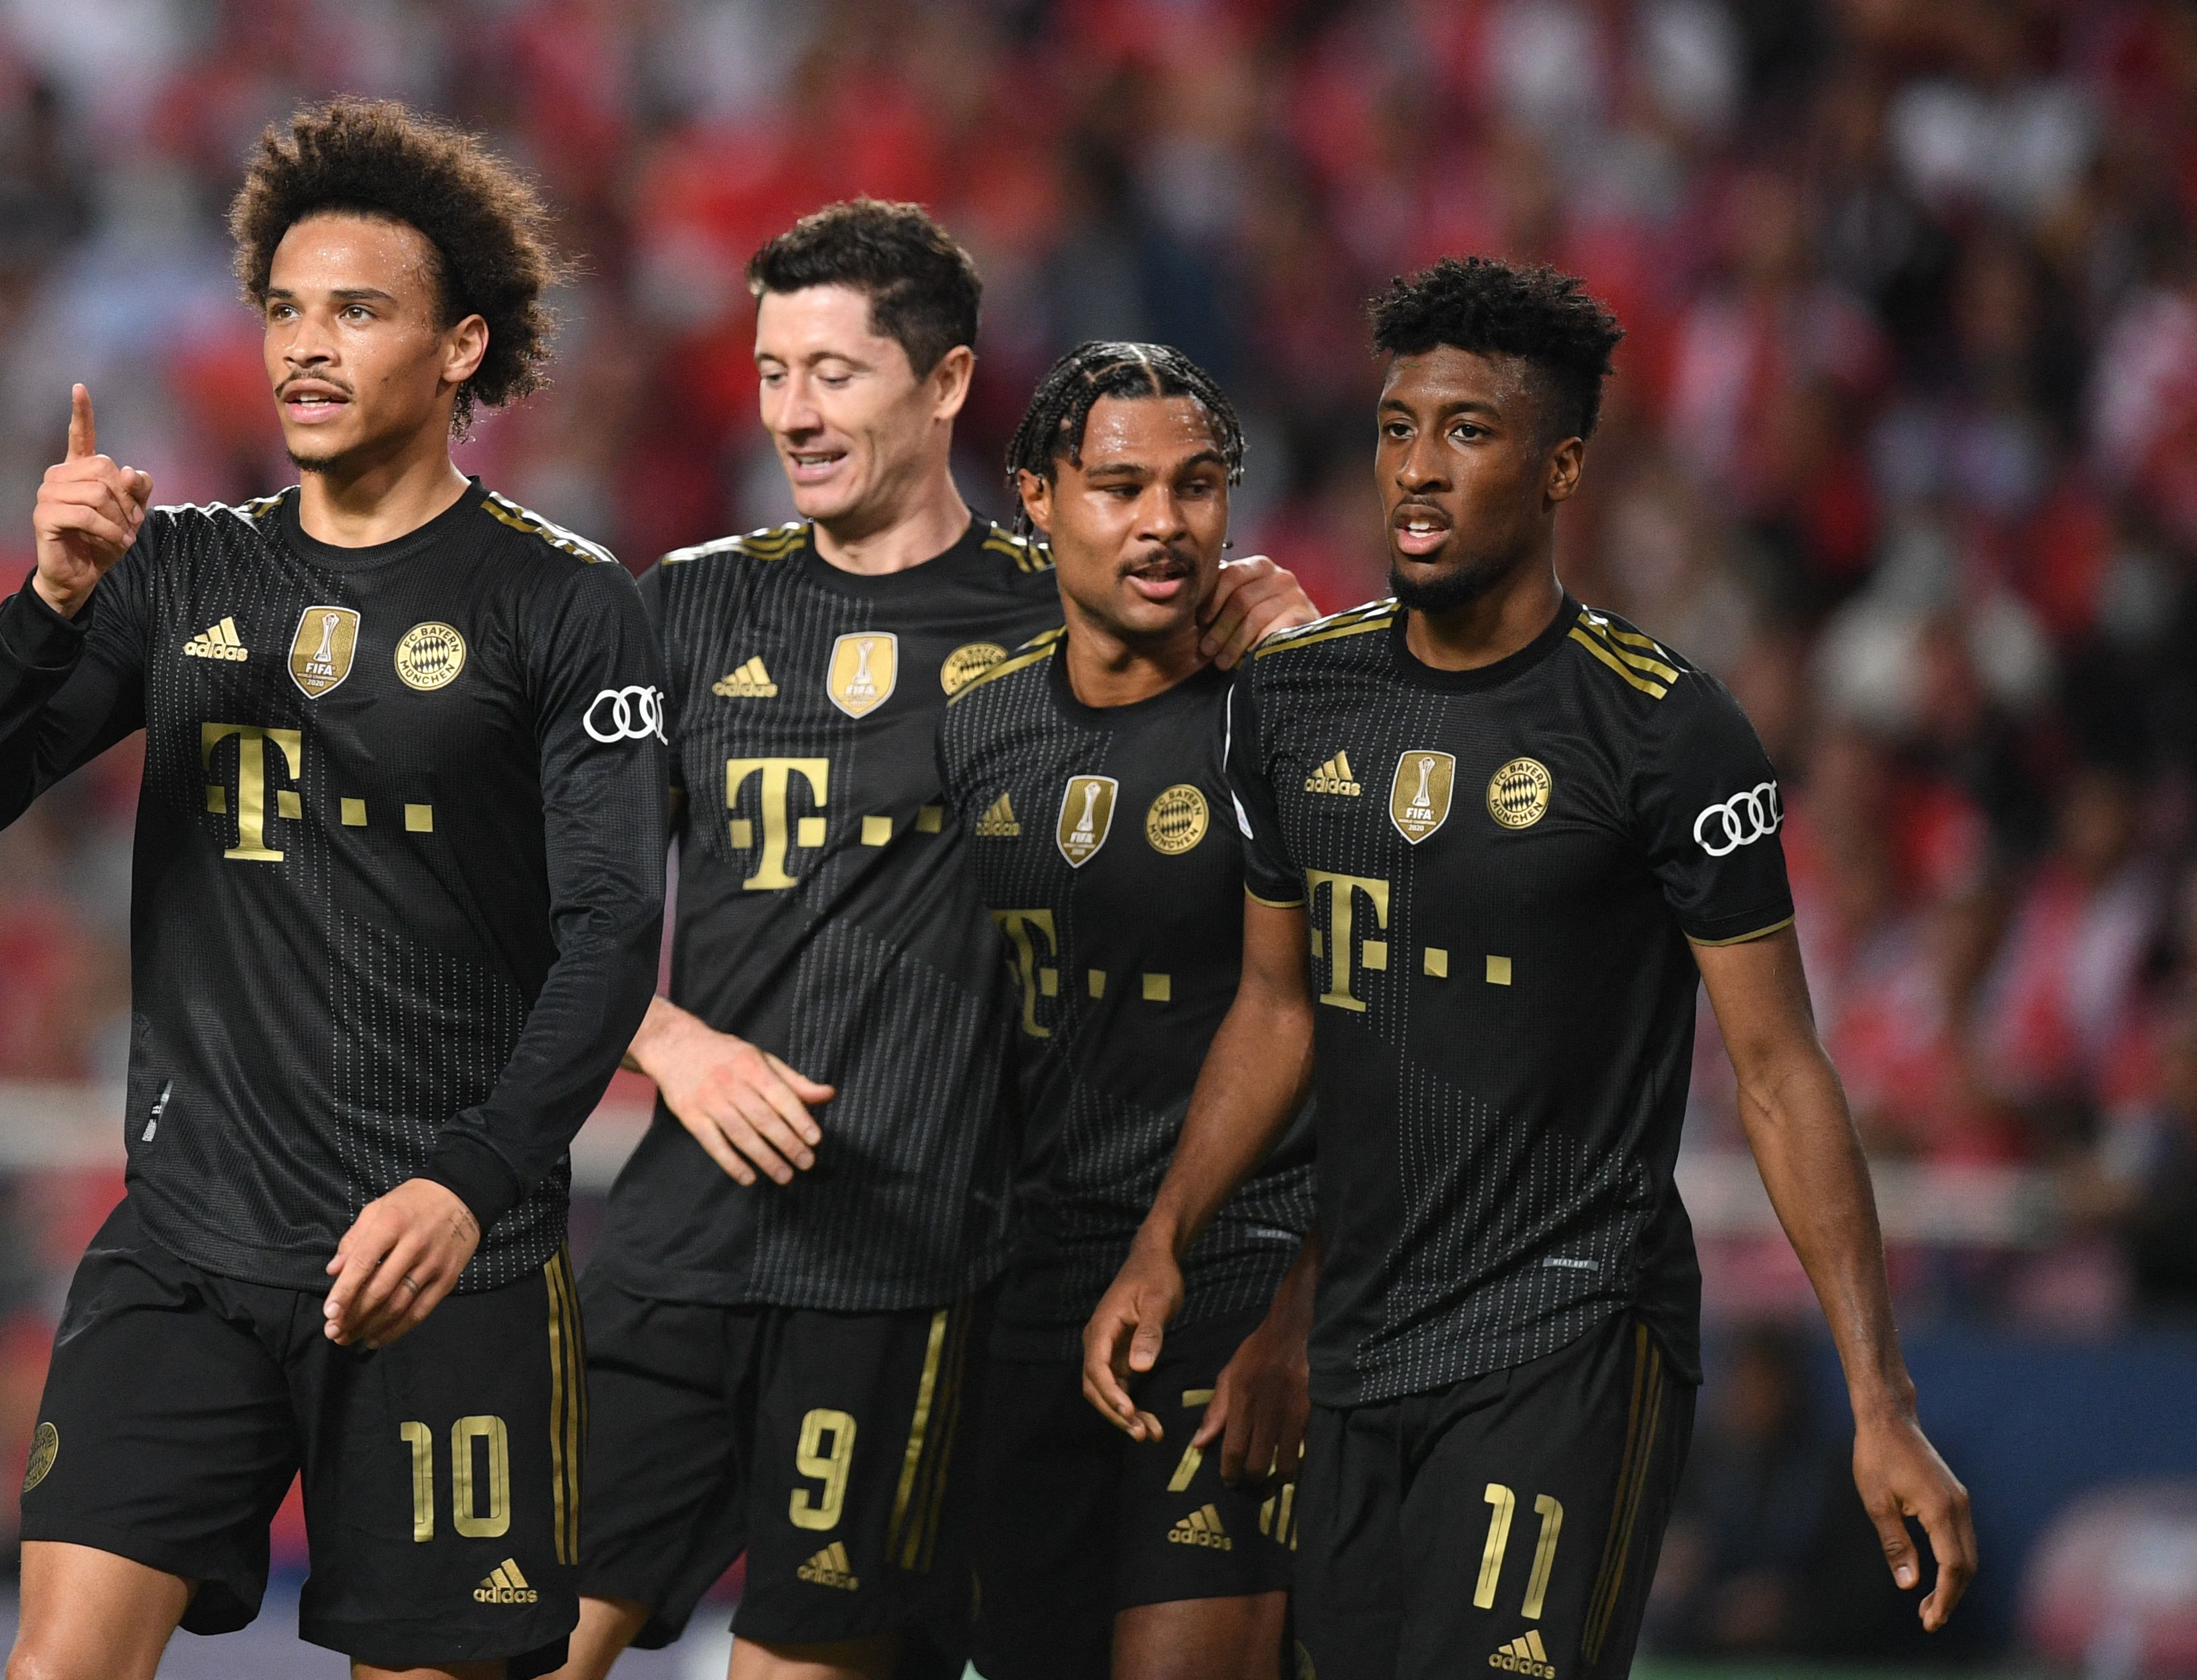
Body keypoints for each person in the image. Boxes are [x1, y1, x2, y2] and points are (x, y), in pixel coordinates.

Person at [1083, 256, 1977, 1679]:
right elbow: (1279, 1005)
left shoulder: (1664, 731)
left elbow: (1778, 1067)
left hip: (1566, 1331)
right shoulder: (1296, 702)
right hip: (1364, 1352)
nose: (1417, 472)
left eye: (1468, 431)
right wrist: (1169, 1241)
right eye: (1395, 427)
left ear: (1561, 467)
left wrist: (1881, 1397)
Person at [0, 98, 669, 1680]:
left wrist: (467, 1185)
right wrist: (51, 600)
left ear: (463, 348)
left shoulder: (562, 602)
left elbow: (610, 936)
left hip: (439, 1258)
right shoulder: (181, 567)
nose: (305, 349)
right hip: (188, 1242)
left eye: (357, 311)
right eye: (284, 310)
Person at [555, 201, 1314, 1680]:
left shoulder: (1073, 617)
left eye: (833, 372)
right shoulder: (690, 606)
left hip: (905, 1274)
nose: (792, 410)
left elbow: (1236, 673)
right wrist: (669, 1039)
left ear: (950, 384)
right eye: (774, 370)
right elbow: (539, 888)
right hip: (674, 1252)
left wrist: (1279, 624)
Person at [938, 340, 1318, 1680]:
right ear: (1035, 498)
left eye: (1198, 485)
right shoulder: (974, 728)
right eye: (1118, 487)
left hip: (1233, 1284)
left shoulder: (1291, 713)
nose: (1163, 524)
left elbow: (1383, 1031)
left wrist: (1298, 1317)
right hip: (1032, 1305)